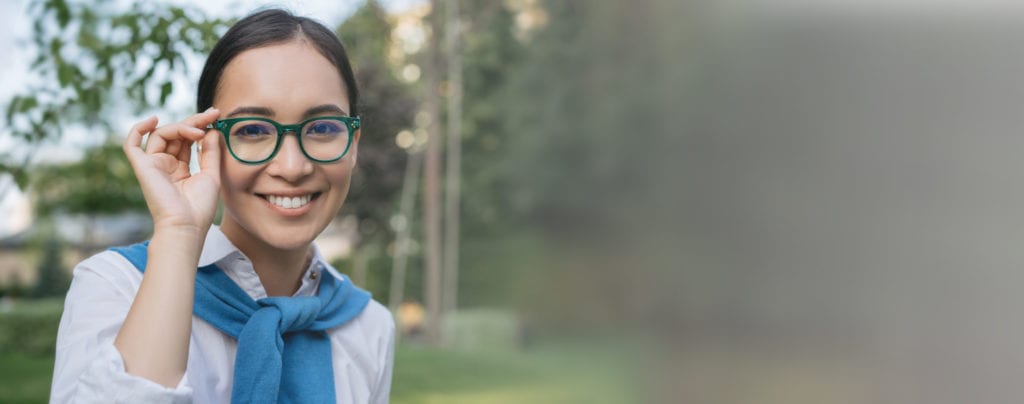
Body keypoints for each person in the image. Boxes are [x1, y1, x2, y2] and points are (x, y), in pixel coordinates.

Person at [50, 9, 394, 404]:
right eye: (251, 130)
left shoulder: (369, 325)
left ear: (353, 144)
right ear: (205, 142)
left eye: (322, 128)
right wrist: (179, 235)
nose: (293, 167)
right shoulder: (116, 286)